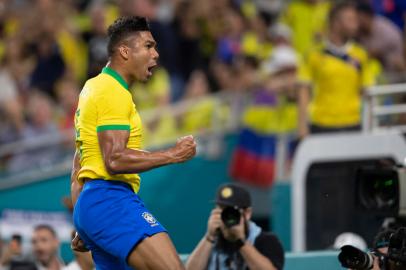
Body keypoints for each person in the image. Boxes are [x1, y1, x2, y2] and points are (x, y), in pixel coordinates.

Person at [71, 16, 196, 270]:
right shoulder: (112, 91)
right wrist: (173, 154)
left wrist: (83, 219)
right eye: (148, 46)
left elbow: (78, 166)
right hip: (110, 199)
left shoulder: (92, 87)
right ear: (125, 52)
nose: (156, 54)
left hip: (93, 203)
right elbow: (114, 159)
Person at [297, 1, 375, 137]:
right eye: (350, 20)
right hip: (321, 124)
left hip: (352, 124)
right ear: (336, 23)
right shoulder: (314, 55)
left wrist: (369, 128)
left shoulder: (360, 55)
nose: (356, 25)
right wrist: (302, 129)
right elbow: (304, 92)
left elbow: (367, 91)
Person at [185, 183, 285, 270]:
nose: (227, 217)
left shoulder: (266, 241)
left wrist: (241, 242)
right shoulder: (212, 241)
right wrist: (209, 237)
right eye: (222, 210)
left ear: (247, 213)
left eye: (232, 212)